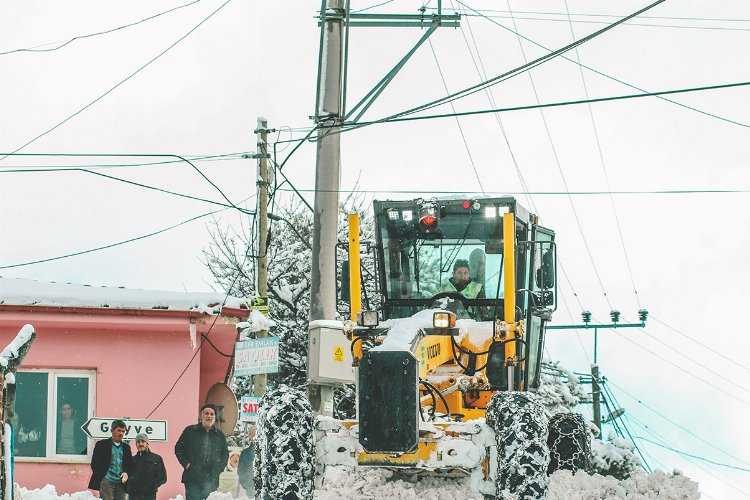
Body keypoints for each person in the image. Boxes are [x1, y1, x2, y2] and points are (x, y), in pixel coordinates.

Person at [174, 404, 229, 500]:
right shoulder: (190, 431)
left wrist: (218, 469)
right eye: (206, 413)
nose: (209, 416)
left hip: (211, 479)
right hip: (193, 478)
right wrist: (187, 465)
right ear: (201, 416)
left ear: (215, 417)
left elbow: (225, 455)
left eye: (212, 414)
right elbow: (178, 448)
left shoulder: (220, 435)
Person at [88, 419, 133, 500]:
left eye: (123, 431)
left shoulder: (126, 447)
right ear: (112, 430)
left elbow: (130, 465)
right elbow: (94, 463)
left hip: (121, 483)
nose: (121, 433)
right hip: (106, 481)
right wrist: (102, 477)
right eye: (119, 430)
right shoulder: (101, 445)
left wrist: (126, 472)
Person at [127, 433, 167, 500]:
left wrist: (152, 486)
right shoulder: (132, 460)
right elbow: (127, 476)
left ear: (147, 443)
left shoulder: (156, 458)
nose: (140, 444)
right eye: (138, 442)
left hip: (149, 495)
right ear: (136, 445)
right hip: (134, 495)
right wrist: (130, 487)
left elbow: (163, 477)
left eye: (143, 441)